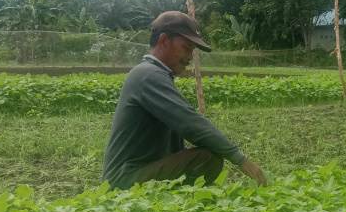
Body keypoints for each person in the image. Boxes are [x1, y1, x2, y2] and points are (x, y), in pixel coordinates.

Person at [103, 10, 267, 189]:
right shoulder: (148, 75)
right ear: (164, 41)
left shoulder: (155, 74)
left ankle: (179, 197)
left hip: (136, 174)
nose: (190, 57)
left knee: (206, 157)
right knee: (206, 158)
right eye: (187, 48)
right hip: (124, 180)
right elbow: (190, 123)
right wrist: (240, 159)